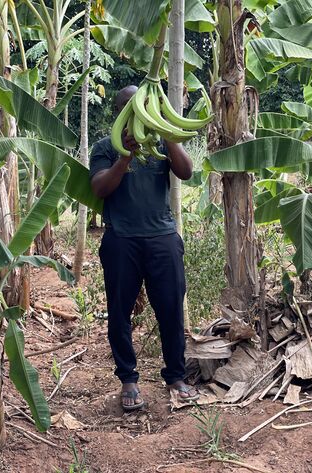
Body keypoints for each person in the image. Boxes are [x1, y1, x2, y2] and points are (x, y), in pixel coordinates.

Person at [89, 85, 199, 411]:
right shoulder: (104, 147)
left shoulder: (161, 144)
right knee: (120, 314)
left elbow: (187, 171)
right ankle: (128, 380)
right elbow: (100, 188)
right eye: (129, 109)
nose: (136, 115)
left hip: (162, 238)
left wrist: (167, 132)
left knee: (170, 310)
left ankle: (176, 378)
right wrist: (125, 157)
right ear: (120, 112)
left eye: (142, 109)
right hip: (121, 239)